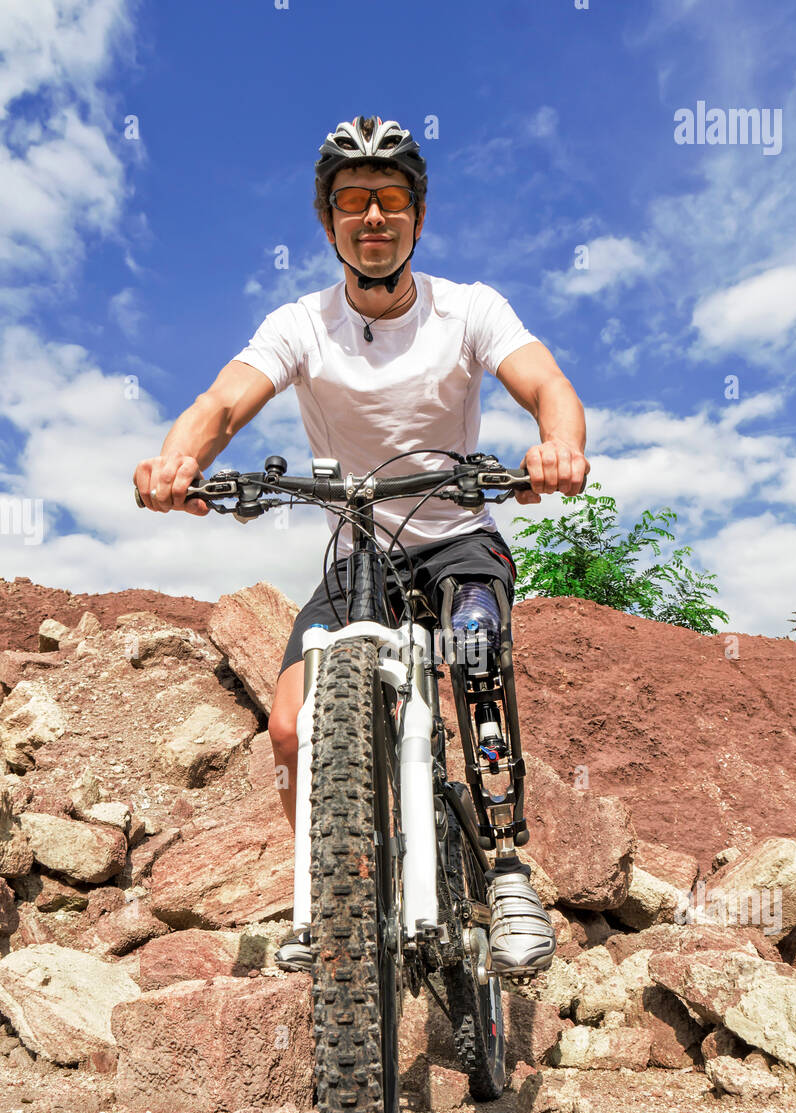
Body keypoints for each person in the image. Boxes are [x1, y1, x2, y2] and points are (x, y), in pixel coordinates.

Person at [134, 115, 589, 977]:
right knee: (287, 724)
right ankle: (334, 896)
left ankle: (507, 869)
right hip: (359, 555)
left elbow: (546, 383)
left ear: (417, 216)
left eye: (391, 199)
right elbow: (224, 402)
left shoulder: (470, 309)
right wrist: (179, 461)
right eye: (353, 201)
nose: (372, 217)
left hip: (458, 538)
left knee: (480, 651)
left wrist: (555, 443)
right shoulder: (301, 324)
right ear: (329, 221)